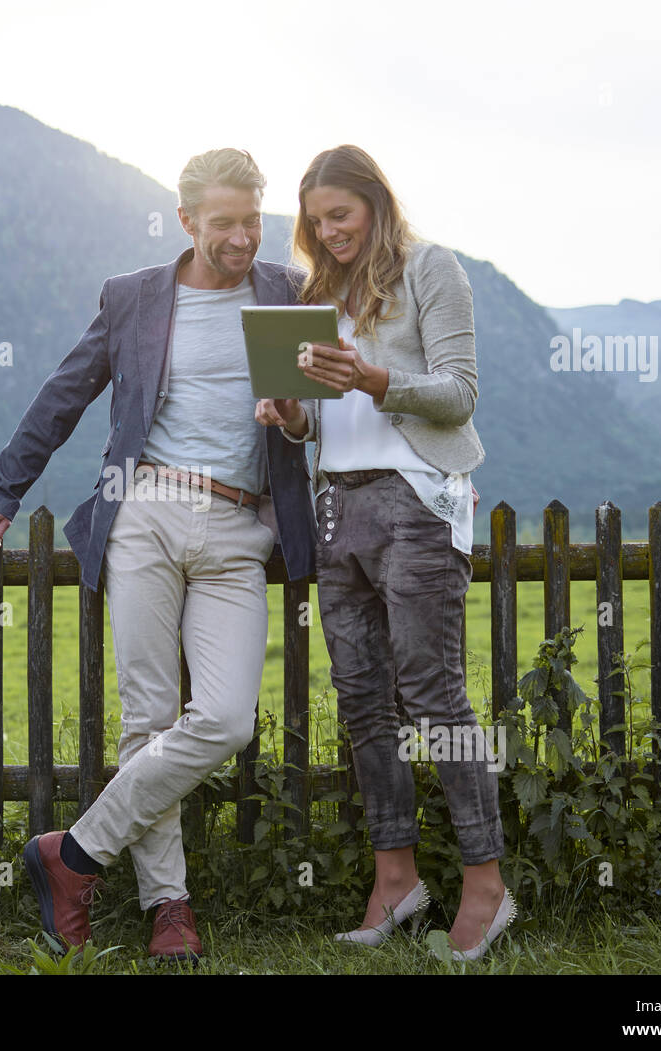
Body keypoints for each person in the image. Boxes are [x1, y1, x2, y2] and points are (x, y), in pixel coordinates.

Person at [0, 148, 315, 961]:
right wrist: (1, 489)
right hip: (147, 510)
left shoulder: (287, 294)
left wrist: (294, 417)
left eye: (251, 219)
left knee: (225, 719)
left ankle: (73, 854)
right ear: (187, 219)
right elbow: (64, 392)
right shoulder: (134, 299)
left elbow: (315, 425)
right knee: (148, 717)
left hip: (240, 529)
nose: (240, 237)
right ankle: (169, 906)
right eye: (223, 221)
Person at [256, 144, 515, 960]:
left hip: (416, 501)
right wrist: (291, 415)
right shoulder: (317, 294)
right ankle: (396, 881)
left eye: (342, 214)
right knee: (364, 700)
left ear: (375, 203)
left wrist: (371, 379)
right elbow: (318, 422)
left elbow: (460, 392)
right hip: (339, 502)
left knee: (435, 696)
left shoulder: (432, 268)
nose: (330, 232)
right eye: (317, 220)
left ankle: (487, 886)